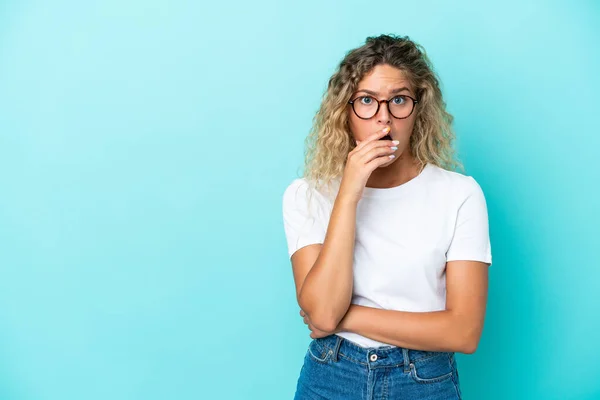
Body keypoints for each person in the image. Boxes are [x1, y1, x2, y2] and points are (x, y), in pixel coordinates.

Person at [281, 34, 492, 399]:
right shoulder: (306, 194)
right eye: (366, 100)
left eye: (398, 100)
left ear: (418, 108)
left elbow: (464, 332)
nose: (383, 118)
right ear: (344, 111)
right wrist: (349, 191)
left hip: (423, 379)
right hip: (331, 375)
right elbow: (322, 309)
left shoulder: (460, 194)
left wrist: (345, 318)